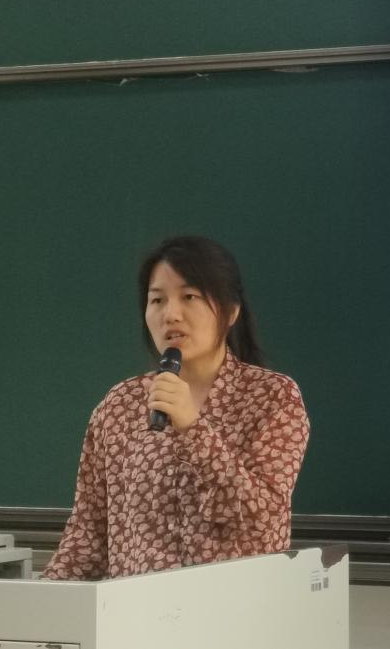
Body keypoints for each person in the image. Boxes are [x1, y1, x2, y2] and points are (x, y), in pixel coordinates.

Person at [43, 236, 310, 580]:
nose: (171, 314)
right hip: (138, 609)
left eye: (189, 297)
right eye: (157, 300)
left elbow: (261, 521)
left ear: (231, 311)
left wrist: (193, 429)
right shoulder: (120, 404)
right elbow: (88, 535)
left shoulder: (272, 396)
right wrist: (40, 599)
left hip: (235, 606)